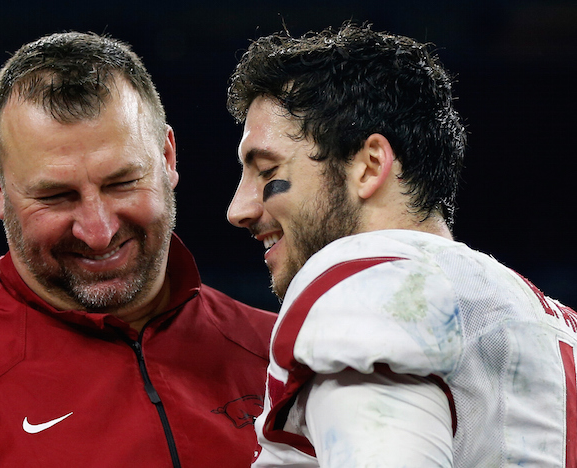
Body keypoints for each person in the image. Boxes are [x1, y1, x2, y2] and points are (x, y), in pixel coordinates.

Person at [0, 31, 276, 467]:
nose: (98, 231)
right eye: (56, 196)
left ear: (167, 158)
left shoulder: (287, 353)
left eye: (122, 183)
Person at [226, 23, 577, 467]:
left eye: (266, 169)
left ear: (370, 165)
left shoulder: (366, 285)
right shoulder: (550, 321)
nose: (238, 209)